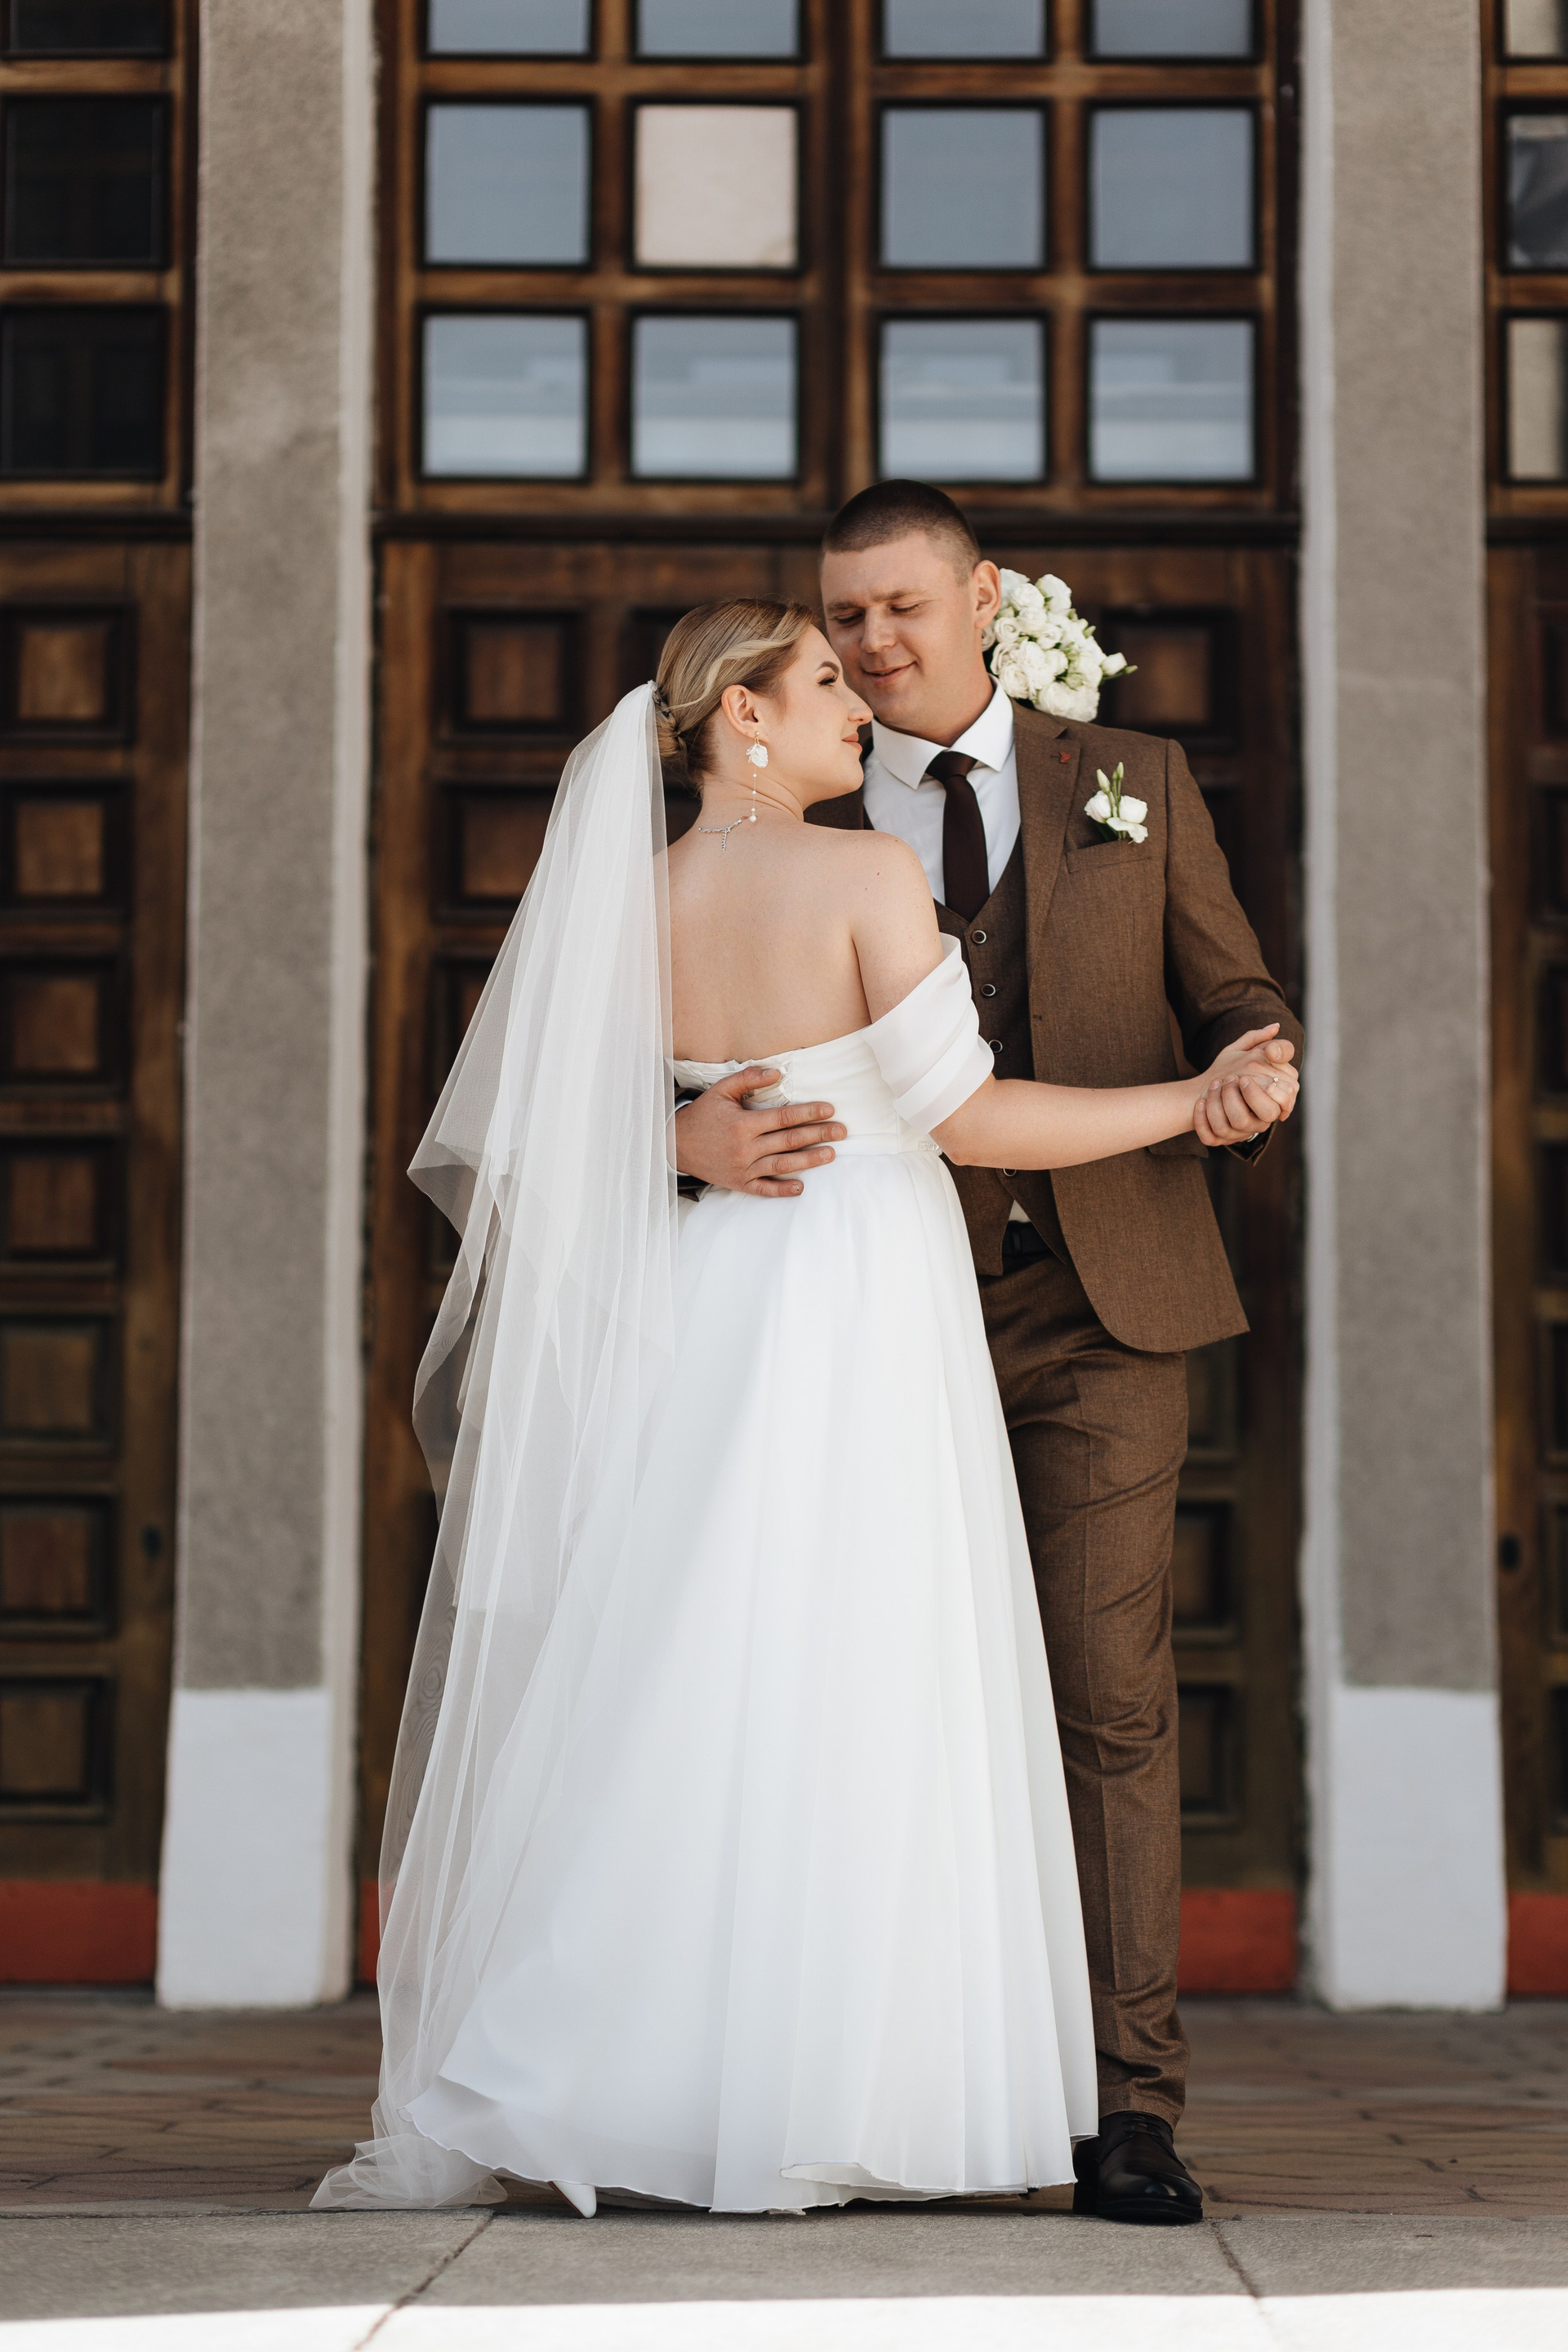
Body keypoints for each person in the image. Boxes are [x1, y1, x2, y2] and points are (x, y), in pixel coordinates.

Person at [314, 599, 1294, 2221]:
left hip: (704, 1306)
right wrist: (1188, 1102)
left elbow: (521, 1128)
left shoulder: (624, 902)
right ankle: (847, 2086)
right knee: (864, 1669)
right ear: (744, 719)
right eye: (828, 681)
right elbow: (968, 1119)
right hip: (856, 1304)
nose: (862, 702)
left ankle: (645, 2079)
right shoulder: (866, 875)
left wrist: (671, 1143)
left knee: (694, 1663)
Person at [672, 488, 1303, 2227]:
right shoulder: (798, 805)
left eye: (901, 607)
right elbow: (638, 1049)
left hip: (1103, 1311)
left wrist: (1257, 1065)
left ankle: (1128, 2109)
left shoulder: (1129, 779)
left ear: (985, 600)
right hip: (873, 1313)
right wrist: (679, 1143)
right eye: (844, 618)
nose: (872, 643)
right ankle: (886, 2077)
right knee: (866, 1692)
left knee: (1106, 1697)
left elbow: (1234, 992)